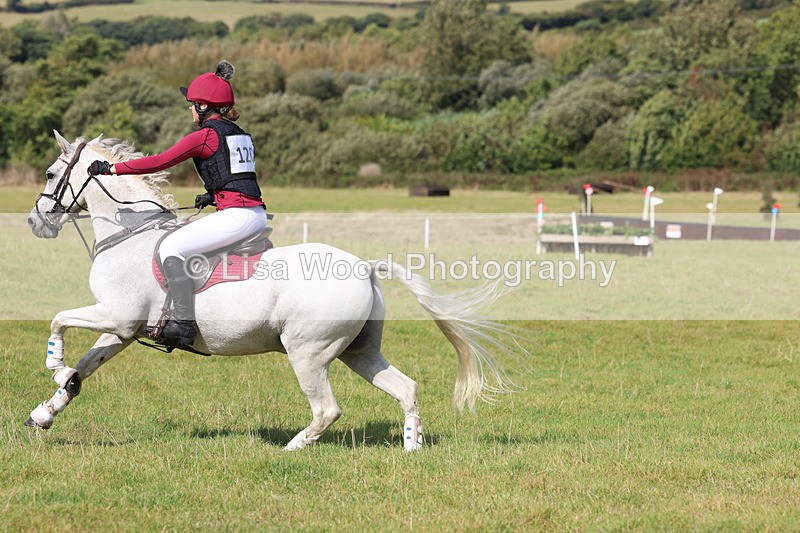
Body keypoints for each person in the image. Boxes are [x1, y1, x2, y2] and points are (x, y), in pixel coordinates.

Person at [87, 60, 267, 347]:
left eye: (192, 103)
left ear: (204, 107)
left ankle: (183, 323)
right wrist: (213, 195)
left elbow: (160, 161)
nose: (189, 108)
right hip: (253, 213)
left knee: (171, 246)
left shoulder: (206, 136)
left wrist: (112, 169)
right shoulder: (240, 133)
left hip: (237, 216)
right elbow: (238, 175)